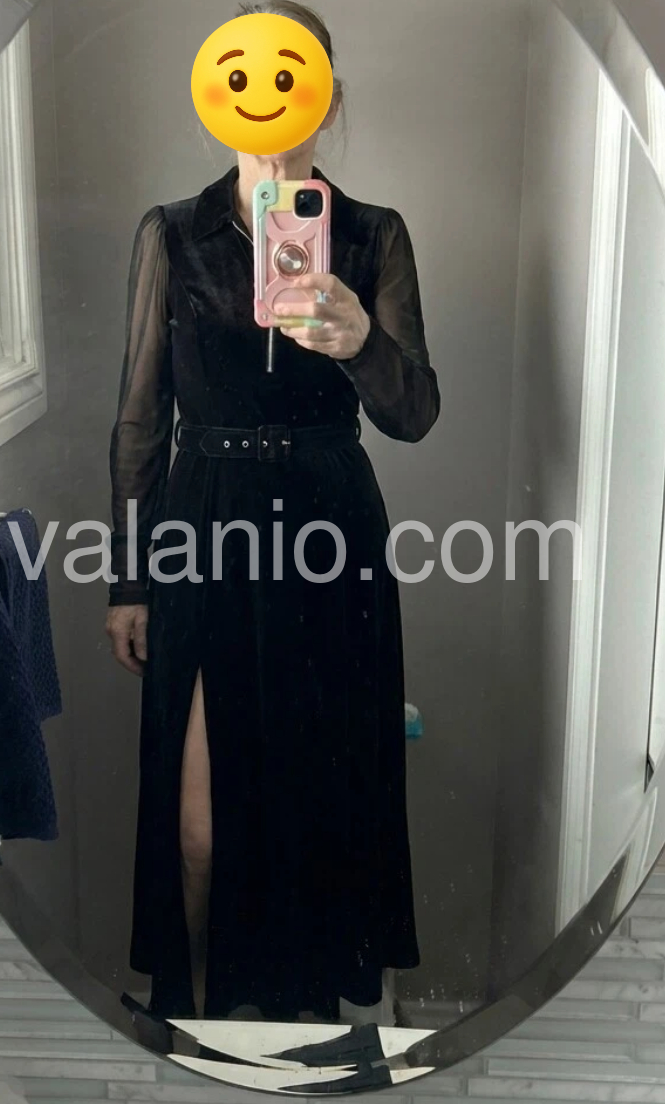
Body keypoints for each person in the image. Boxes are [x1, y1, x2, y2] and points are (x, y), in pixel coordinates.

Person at [106, 0, 440, 1023]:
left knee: (320, 815)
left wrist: (360, 344)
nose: (268, 95)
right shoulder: (172, 232)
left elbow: (414, 413)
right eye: (243, 74)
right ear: (216, 90)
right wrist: (127, 577)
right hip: (202, 526)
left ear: (326, 97)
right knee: (197, 828)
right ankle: (204, 1027)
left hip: (332, 531)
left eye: (292, 75)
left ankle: (303, 1039)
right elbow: (139, 417)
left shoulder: (372, 234)